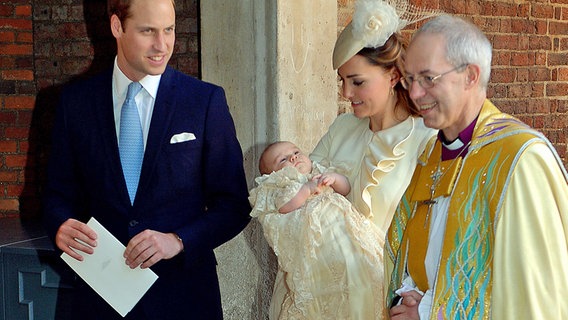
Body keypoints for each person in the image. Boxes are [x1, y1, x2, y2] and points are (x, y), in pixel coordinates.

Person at [42, 0, 251, 319]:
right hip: (99, 301)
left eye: (168, 30)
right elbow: (57, 194)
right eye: (147, 31)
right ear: (117, 27)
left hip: (183, 299)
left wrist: (178, 241)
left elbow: (234, 206)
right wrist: (61, 225)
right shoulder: (75, 103)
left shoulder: (204, 101)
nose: (162, 45)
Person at [386, 14, 568, 320]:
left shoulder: (520, 159)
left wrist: (430, 312)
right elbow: (408, 253)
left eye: (428, 78)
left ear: (471, 75)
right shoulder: (431, 154)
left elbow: (534, 295)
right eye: (410, 79)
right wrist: (410, 299)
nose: (415, 94)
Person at [306, 0, 439, 316]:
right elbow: (303, 195)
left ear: (393, 76)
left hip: (390, 302)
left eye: (357, 81)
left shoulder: (428, 140)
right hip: (329, 297)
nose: (345, 93)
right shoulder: (341, 129)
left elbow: (436, 234)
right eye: (342, 80)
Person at [249, 141, 384, 319]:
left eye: (296, 151)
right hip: (319, 243)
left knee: (365, 267)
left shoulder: (319, 171)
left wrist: (335, 179)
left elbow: (346, 188)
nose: (293, 157)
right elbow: (284, 206)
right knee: (327, 283)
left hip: (346, 233)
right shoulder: (281, 185)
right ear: (273, 174)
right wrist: (306, 190)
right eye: (283, 159)